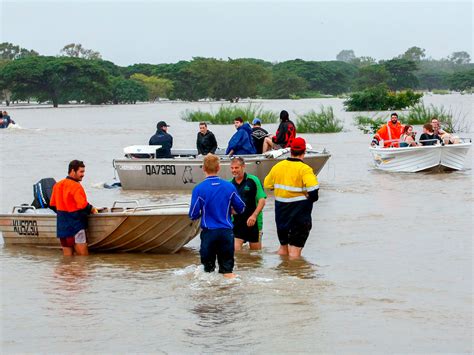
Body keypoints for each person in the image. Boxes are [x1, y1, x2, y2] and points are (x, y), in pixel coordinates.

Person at [189, 154, 246, 278]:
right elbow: (241, 208)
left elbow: (193, 214)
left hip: (209, 233)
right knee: (227, 271)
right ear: (219, 168)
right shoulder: (229, 186)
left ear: (203, 168)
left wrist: (203, 212)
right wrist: (230, 210)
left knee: (207, 272)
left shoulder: (199, 189)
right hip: (226, 232)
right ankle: (231, 291)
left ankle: (211, 294)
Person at [264, 137, 319, 259]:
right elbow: (314, 194)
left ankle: (282, 272)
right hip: (299, 216)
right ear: (304, 152)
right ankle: (292, 276)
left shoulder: (278, 166)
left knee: (283, 249)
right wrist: (306, 197)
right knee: (295, 253)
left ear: (290, 151)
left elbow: (267, 184)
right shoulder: (305, 169)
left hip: (281, 214)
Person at [49, 160, 98, 256]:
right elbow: (83, 205)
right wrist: (92, 209)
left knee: (68, 259)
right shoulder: (76, 186)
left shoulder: (57, 185)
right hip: (76, 226)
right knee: (83, 259)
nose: (83, 174)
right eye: (81, 171)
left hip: (62, 226)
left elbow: (52, 204)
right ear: (73, 171)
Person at [230, 157, 266, 251]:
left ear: (243, 167)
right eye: (232, 168)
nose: (234, 170)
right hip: (236, 222)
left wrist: (254, 216)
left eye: (236, 168)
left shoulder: (253, 180)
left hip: (254, 222)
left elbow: (262, 200)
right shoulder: (229, 184)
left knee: (256, 255)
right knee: (236, 251)